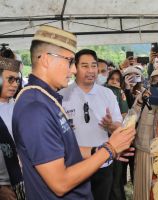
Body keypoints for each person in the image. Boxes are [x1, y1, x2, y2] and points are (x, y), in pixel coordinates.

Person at [12, 25, 135, 199]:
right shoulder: (35, 109)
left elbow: (63, 150)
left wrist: (98, 151)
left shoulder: (46, 99)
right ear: (46, 59)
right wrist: (110, 148)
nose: (74, 70)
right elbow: (60, 183)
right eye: (69, 61)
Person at [59, 49, 123, 200]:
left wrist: (110, 126)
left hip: (103, 163)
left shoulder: (107, 94)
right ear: (75, 68)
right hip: (74, 166)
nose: (91, 71)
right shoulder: (62, 95)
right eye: (85, 66)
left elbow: (119, 126)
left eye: (93, 66)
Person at [133, 69, 158, 200]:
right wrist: (141, 100)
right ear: (149, 82)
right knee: (142, 184)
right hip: (144, 148)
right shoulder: (142, 96)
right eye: (155, 81)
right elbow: (132, 117)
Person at [0, 56, 25, 200]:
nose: (15, 84)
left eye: (17, 80)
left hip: (23, 180)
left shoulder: (19, 106)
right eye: (10, 79)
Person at [105, 69, 129, 200]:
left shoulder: (120, 93)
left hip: (116, 139)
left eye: (117, 80)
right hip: (102, 140)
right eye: (111, 78)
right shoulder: (101, 91)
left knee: (116, 178)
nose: (114, 82)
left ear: (121, 84)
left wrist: (115, 126)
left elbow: (125, 115)